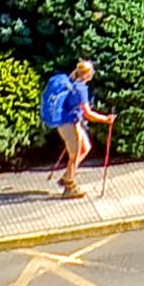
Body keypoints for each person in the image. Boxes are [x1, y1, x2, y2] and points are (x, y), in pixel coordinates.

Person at [41, 53, 101, 199]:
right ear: (87, 74)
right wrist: (106, 119)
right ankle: (69, 187)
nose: (93, 73)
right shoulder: (81, 89)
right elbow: (88, 113)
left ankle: (67, 175)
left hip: (72, 121)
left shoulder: (71, 80)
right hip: (67, 124)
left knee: (85, 148)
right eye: (91, 71)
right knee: (74, 155)